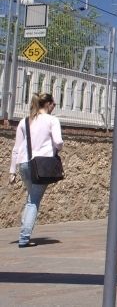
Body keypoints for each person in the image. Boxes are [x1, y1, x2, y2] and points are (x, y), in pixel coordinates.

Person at [8, 93, 63, 248]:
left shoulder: (24, 121)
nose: (54, 108)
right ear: (48, 104)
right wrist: (58, 147)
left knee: (31, 198)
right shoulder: (52, 120)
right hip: (41, 165)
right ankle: (24, 238)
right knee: (34, 201)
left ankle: (24, 232)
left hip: (23, 164)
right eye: (54, 104)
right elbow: (58, 142)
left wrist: (12, 171)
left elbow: (16, 148)